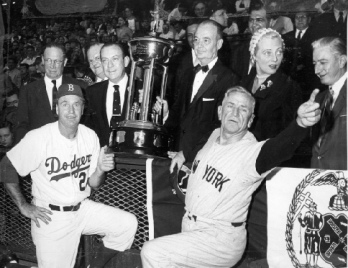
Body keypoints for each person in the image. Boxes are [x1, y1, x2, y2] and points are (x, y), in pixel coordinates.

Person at [141, 86, 321, 268]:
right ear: (220, 111)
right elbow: (198, 147)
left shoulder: (252, 154)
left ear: (250, 120)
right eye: (230, 106)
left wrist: (300, 125)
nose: (235, 112)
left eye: (243, 109)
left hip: (220, 238)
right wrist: (184, 153)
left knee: (153, 253)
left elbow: (280, 148)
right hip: (192, 227)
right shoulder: (212, 136)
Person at [0, 84, 137, 268]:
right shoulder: (40, 137)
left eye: (76, 104)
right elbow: (5, 166)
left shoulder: (90, 136)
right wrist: (23, 205)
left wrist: (100, 170)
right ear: (57, 108)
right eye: (65, 104)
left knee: (126, 224)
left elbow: (94, 184)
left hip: (82, 209)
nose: (71, 110)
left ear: (83, 108)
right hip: (52, 217)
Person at [240, 28, 303, 261]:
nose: (274, 59)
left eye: (278, 53)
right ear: (254, 54)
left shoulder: (289, 87)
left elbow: (293, 138)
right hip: (242, 168)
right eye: (267, 53)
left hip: (270, 174)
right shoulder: (242, 83)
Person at [154, 20, 238, 163]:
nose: (199, 45)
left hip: (204, 158)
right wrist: (167, 113)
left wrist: (187, 153)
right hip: (177, 154)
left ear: (219, 44)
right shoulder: (187, 74)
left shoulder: (229, 79)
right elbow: (181, 113)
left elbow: (220, 128)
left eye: (206, 40)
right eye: (197, 40)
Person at [15, 43, 87, 144]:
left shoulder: (80, 87)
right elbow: (21, 126)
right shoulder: (28, 90)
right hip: (39, 150)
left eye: (57, 61)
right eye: (48, 60)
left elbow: (87, 123)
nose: (52, 66)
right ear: (43, 60)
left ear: (65, 62)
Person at [311, 37, 347, 170]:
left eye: (323, 62)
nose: (316, 70)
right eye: (315, 63)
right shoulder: (319, 99)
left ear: (342, 61)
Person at [85, 43, 130, 147]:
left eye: (115, 59)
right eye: (105, 60)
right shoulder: (92, 92)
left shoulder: (141, 89)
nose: (110, 65)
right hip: (102, 157)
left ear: (126, 61)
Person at [230, 2, 269, 81]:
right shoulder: (239, 50)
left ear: (269, 22)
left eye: (259, 20)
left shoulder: (277, 50)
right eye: (251, 20)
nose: (254, 24)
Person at [298, 202, 323, 268]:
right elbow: (303, 224)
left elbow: (322, 224)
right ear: (309, 207)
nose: (313, 208)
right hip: (308, 233)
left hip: (316, 233)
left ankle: (315, 264)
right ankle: (307, 263)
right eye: (312, 207)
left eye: (314, 207)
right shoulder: (307, 214)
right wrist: (300, 219)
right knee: (308, 248)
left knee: (316, 249)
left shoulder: (319, 215)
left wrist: (319, 230)